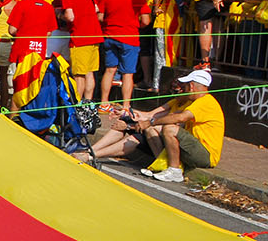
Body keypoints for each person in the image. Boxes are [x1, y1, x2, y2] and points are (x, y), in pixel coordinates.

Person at [86, 68, 223, 182]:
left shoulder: (204, 103)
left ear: (191, 86)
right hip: (184, 146)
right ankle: (90, 152)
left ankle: (174, 170)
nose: (179, 91)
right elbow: (151, 115)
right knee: (135, 125)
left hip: (205, 154)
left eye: (184, 87)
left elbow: (177, 119)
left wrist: (140, 125)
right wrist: (127, 113)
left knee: (166, 129)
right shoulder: (189, 102)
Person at [98, 0, 149, 112]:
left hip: (110, 35)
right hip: (129, 37)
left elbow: (100, 17)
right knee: (128, 73)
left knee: (109, 70)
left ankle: (103, 103)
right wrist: (134, 24)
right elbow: (146, 20)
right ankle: (126, 106)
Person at [52, 0, 101, 103]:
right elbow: (96, 8)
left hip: (80, 35)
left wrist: (59, 14)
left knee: (79, 74)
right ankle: (88, 103)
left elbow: (70, 16)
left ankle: (76, 105)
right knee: (90, 72)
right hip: (94, 33)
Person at [6, 0, 58, 64]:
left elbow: (12, 30)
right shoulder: (48, 7)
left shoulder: (21, 5)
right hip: (39, 50)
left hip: (21, 50)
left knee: (17, 77)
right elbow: (49, 32)